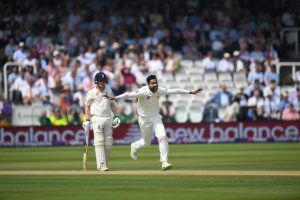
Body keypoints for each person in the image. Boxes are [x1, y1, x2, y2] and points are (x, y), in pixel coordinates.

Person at [109, 75, 202, 170]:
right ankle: (135, 146)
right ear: (148, 84)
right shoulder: (143, 91)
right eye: (152, 83)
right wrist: (115, 97)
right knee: (146, 143)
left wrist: (190, 92)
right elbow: (129, 95)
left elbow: (174, 90)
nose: (155, 84)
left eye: (156, 82)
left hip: (156, 118)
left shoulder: (159, 90)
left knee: (162, 137)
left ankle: (164, 162)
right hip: (144, 119)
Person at [82, 72, 120, 172]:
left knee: (108, 142)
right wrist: (87, 119)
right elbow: (87, 105)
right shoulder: (91, 92)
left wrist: (116, 116)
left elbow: (112, 104)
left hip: (108, 118)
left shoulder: (109, 91)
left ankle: (104, 164)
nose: (103, 83)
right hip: (96, 118)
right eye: (101, 81)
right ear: (96, 82)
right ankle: (101, 165)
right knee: (99, 141)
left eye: (104, 81)